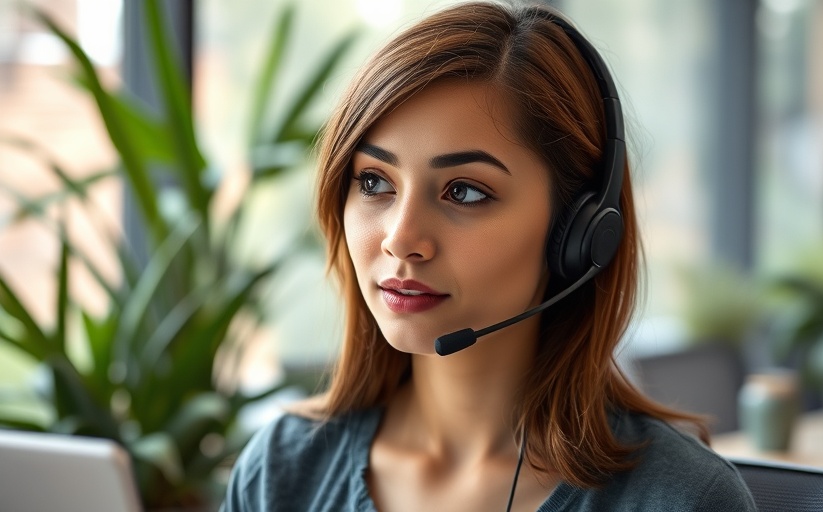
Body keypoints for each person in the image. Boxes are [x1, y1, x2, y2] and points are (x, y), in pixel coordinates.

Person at [222, 2, 757, 511]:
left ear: (576, 232)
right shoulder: (281, 473)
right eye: (374, 181)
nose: (401, 238)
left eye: (465, 192)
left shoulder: (684, 500)